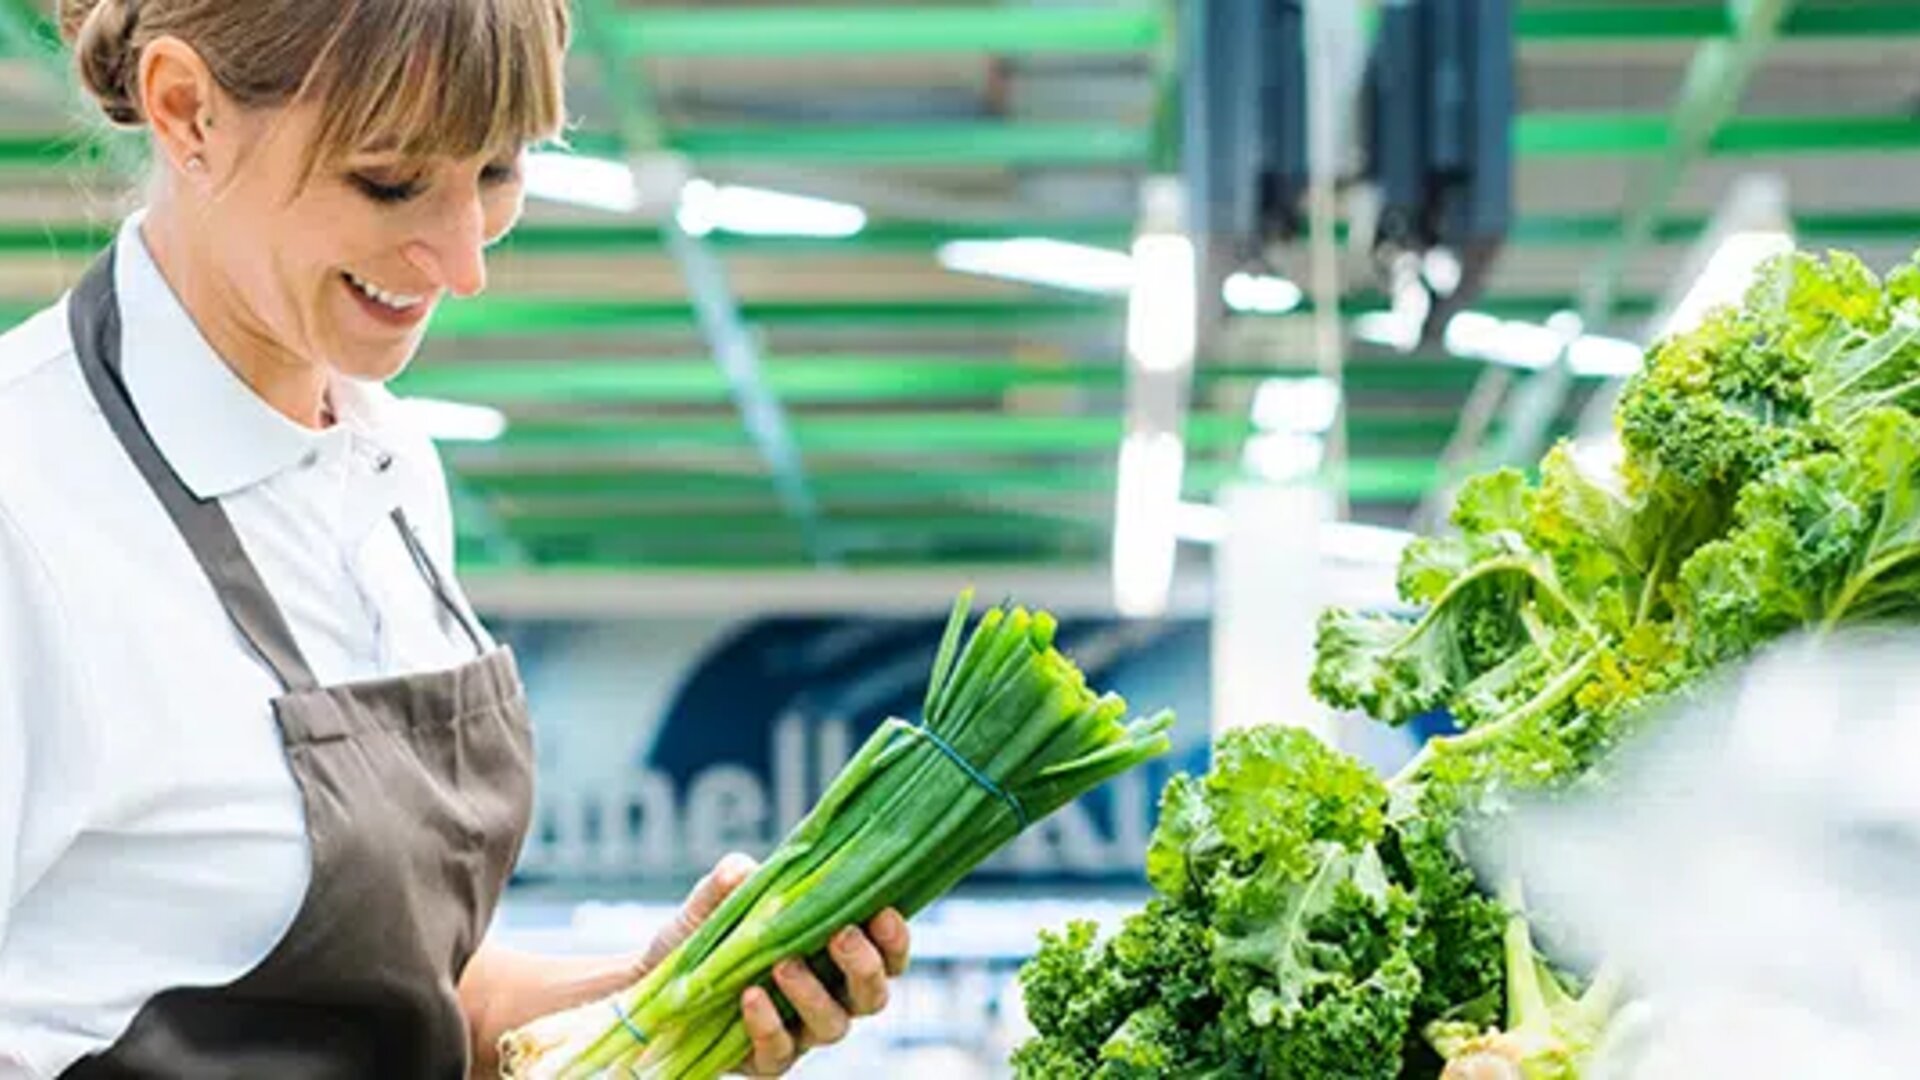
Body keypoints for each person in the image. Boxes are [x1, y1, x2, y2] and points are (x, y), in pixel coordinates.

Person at [0, 2, 910, 1076]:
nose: (464, 263)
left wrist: (664, 996)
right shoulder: (30, 505)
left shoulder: (389, 472)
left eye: (497, 173)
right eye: (388, 181)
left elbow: (418, 994)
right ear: (186, 110)